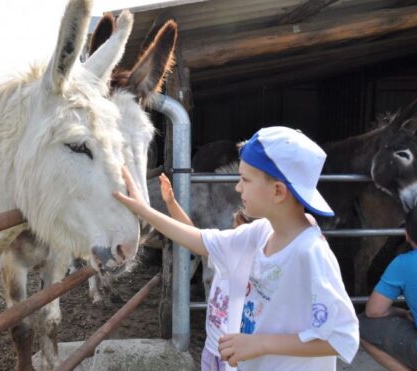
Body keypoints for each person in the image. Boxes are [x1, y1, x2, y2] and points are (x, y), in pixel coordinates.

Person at [114, 126, 359, 370]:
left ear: (278, 191)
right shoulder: (261, 233)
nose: (238, 187)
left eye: (245, 179)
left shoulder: (311, 253)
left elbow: (342, 338)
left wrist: (261, 344)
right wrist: (144, 210)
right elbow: (199, 241)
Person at [159, 171, 255, 370]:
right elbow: (195, 235)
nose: (229, 235)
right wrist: (171, 203)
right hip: (212, 346)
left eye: (236, 230)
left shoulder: (254, 266)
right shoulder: (226, 255)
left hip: (234, 353)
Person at [359, 204, 417, 371]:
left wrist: (401, 312)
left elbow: (373, 311)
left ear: (406, 235)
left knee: (361, 325)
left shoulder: (402, 264)